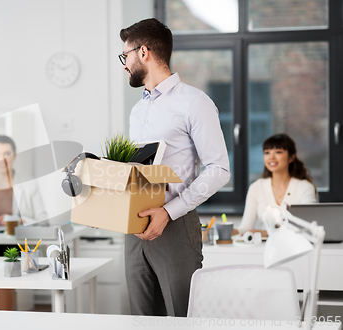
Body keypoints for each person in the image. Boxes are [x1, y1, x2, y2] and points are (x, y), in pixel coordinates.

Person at [119, 18, 230, 317]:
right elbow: (140, 171)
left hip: (175, 227)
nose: (124, 64)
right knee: (142, 320)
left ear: (143, 52)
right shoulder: (138, 109)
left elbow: (219, 168)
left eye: (125, 56)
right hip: (134, 230)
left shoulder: (195, 102)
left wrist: (168, 212)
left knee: (183, 317)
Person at [0, 135, 47, 310]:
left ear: (15, 155)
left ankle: (2, 315)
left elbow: (43, 220)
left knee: (6, 263)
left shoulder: (28, 184)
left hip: (16, 244)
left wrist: (17, 220)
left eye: (7, 153)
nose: (2, 159)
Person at [234, 134, 318, 237]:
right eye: (267, 153)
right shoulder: (256, 187)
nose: (271, 157)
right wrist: (232, 232)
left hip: (296, 248)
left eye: (278, 152)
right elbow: (246, 227)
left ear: (291, 157)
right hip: (265, 249)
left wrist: (264, 233)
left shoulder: (305, 187)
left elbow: (307, 227)